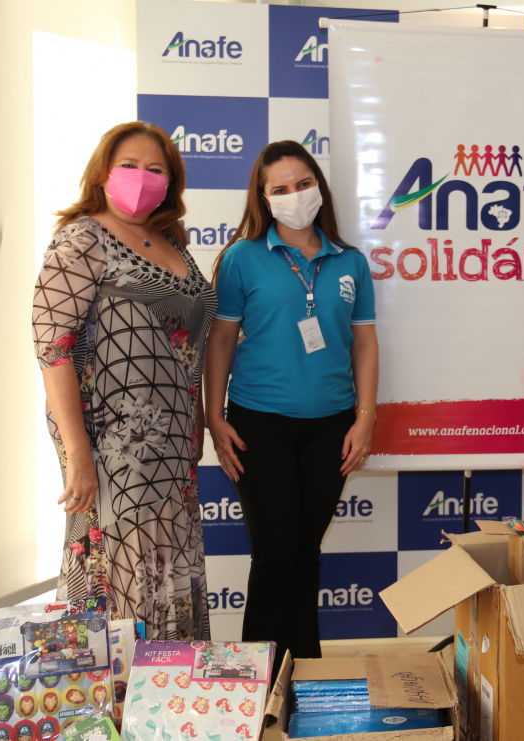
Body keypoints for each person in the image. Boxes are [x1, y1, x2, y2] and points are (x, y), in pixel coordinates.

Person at [33, 121, 215, 640]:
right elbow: (52, 348)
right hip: (113, 445)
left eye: (155, 169)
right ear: (103, 173)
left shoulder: (170, 241)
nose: (142, 177)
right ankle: (122, 688)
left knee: (170, 574)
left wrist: (197, 423)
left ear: (170, 182)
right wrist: (78, 454)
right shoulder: (82, 239)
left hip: (172, 447)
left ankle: (171, 684)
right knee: (122, 580)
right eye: (129, 166)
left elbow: (188, 344)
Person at [204, 141, 378, 670]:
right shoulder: (242, 257)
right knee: (275, 553)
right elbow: (221, 340)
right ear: (264, 198)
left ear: (319, 187)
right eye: (280, 188)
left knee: (306, 553)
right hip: (259, 425)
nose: (294, 195)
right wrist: (213, 416)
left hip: (332, 427)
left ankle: (303, 673)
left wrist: (365, 418)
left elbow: (365, 343)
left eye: (303, 184)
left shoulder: (351, 262)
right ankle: (253, 681)